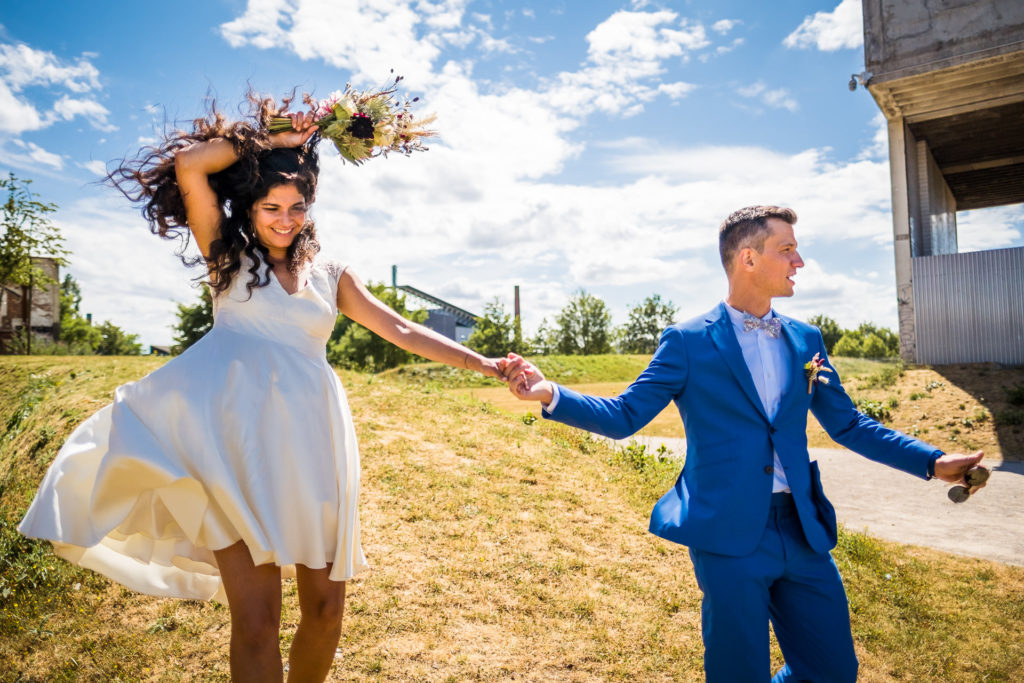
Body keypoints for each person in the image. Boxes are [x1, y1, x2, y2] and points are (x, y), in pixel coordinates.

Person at [19, 96, 508, 682]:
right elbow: (191, 166)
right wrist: (274, 138)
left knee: (326, 612)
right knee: (257, 620)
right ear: (248, 207)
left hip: (313, 448)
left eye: (296, 207)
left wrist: (485, 364)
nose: (284, 219)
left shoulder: (331, 274)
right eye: (271, 206)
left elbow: (400, 328)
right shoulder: (227, 256)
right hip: (233, 452)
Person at [504, 205, 985, 682]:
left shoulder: (807, 339)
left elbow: (849, 425)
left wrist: (933, 461)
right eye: (788, 249)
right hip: (726, 533)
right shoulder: (687, 341)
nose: (800, 262)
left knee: (833, 671)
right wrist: (550, 393)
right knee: (738, 671)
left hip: (802, 529)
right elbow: (625, 415)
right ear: (748, 259)